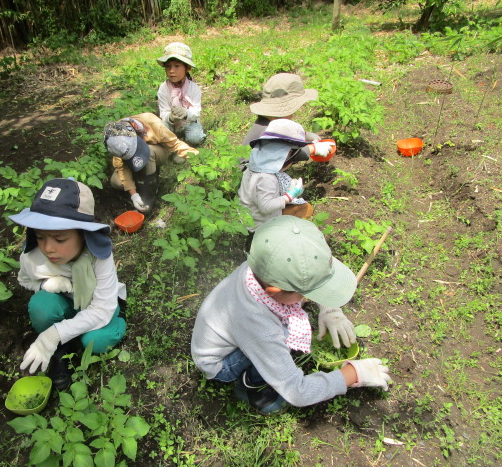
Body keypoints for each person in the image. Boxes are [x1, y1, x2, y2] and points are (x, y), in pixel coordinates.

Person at [191, 215, 392, 415]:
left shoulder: (264, 263)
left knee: (279, 336)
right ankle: (251, 386)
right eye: (307, 293)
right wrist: (352, 374)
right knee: (281, 340)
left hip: (235, 331)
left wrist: (330, 308)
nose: (309, 297)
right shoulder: (260, 327)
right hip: (220, 364)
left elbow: (307, 269)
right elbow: (298, 392)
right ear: (275, 291)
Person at [10, 178, 127, 390]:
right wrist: (46, 285)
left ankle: (117, 320)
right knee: (41, 308)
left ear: (84, 234)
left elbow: (101, 309)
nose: (48, 248)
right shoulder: (33, 258)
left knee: (97, 340)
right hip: (65, 303)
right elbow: (24, 280)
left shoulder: (98, 258)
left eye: (60, 239)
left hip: (98, 305)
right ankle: (61, 350)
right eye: (41, 236)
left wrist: (52, 335)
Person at [238, 118, 335, 249]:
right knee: (305, 208)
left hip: (247, 217)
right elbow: (266, 206)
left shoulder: (254, 167)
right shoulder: (266, 179)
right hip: (261, 226)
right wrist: (290, 195)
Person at [104, 113, 198, 214]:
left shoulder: (153, 124)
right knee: (117, 182)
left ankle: (150, 189)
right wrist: (134, 195)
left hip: (157, 151)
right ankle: (139, 182)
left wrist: (198, 156)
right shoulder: (115, 139)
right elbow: (122, 168)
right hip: (134, 160)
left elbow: (175, 144)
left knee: (149, 152)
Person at [242, 73, 322, 146]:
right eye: (290, 113)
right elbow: (283, 154)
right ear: (278, 114)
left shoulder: (266, 123)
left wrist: (303, 135)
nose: (292, 116)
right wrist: (311, 150)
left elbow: (286, 136)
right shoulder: (268, 133)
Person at [156, 42, 206, 147]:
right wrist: (170, 117)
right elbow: (163, 112)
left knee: (195, 137)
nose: (171, 71)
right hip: (171, 124)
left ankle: (185, 145)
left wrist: (185, 113)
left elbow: (196, 112)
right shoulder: (163, 88)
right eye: (168, 66)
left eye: (177, 66)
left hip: (189, 122)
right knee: (160, 131)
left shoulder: (194, 88)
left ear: (187, 68)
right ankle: (174, 145)